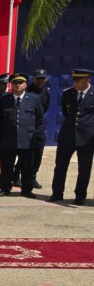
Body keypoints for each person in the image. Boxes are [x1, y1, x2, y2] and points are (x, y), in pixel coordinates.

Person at [0, 73, 45, 198]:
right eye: (15, 82)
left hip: (27, 139)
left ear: (25, 84)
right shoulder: (3, 100)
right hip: (8, 139)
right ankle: (5, 188)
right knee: (6, 166)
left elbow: (39, 120)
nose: (17, 85)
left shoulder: (34, 99)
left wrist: (36, 137)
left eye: (20, 82)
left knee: (27, 167)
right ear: (11, 85)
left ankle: (27, 190)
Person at [48, 68, 94, 205]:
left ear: (88, 79)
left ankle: (80, 196)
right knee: (60, 166)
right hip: (67, 136)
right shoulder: (67, 93)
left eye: (78, 80)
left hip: (86, 138)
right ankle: (57, 193)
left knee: (84, 168)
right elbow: (66, 112)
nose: (75, 83)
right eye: (74, 80)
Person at [15, 68, 51, 189]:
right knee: (24, 153)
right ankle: (16, 175)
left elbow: (45, 108)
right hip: (26, 126)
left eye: (42, 79)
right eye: (38, 79)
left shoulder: (47, 91)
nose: (40, 81)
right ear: (33, 79)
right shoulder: (27, 90)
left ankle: (33, 177)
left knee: (38, 153)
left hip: (39, 126)